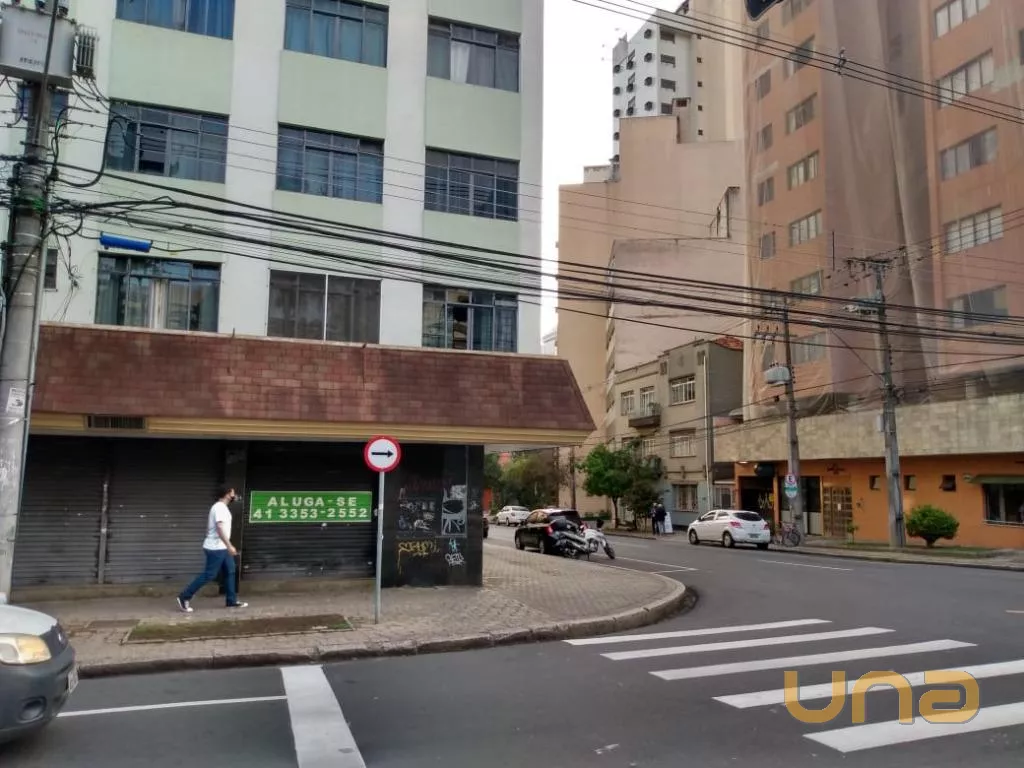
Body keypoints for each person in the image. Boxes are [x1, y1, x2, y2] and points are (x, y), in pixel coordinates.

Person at [177, 485, 247, 613]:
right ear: (227, 494)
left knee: (230, 571)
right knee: (210, 574)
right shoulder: (219, 508)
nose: (234, 495)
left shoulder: (222, 507)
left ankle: (231, 601)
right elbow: (219, 528)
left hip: (221, 547)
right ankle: (184, 596)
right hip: (216, 548)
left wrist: (226, 545)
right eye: (232, 493)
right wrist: (229, 545)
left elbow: (211, 528)